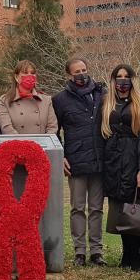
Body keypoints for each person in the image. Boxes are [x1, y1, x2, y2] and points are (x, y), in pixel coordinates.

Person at [52, 57, 107, 267]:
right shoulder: (60, 100)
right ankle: (79, 251)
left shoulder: (102, 94)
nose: (81, 74)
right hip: (74, 161)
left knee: (96, 208)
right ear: (69, 75)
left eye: (84, 69)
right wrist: (61, 155)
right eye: (77, 71)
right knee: (77, 207)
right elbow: (53, 130)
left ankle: (96, 251)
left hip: (99, 159)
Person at [96, 64, 140, 271]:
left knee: (133, 207)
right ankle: (125, 254)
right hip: (112, 160)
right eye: (118, 76)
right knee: (119, 208)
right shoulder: (105, 102)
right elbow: (98, 135)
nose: (122, 80)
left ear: (132, 79)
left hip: (133, 158)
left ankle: (134, 254)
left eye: (126, 76)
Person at [0, 60, 58, 135]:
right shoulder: (5, 100)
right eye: (25, 73)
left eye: (32, 73)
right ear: (16, 77)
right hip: (17, 145)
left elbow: (52, 127)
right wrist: (24, 145)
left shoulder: (46, 100)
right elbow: (7, 128)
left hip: (42, 145)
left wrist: (41, 145)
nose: (30, 76)